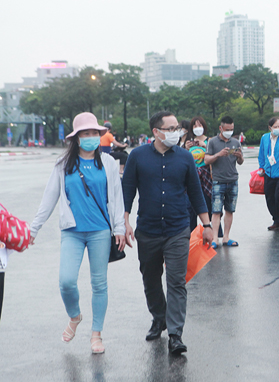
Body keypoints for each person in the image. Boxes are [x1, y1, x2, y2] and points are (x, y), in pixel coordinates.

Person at [30, 112, 126, 354]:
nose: (92, 137)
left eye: (95, 133)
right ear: (77, 138)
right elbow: (49, 199)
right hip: (72, 232)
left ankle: (96, 335)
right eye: (86, 133)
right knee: (66, 281)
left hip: (100, 231)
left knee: (99, 284)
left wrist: (119, 229)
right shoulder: (64, 165)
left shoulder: (109, 163)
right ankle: (75, 316)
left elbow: (116, 197)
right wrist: (33, 229)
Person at [122, 111, 213, 355]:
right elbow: (127, 190)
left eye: (177, 128)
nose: (177, 132)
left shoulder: (184, 158)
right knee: (150, 278)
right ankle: (158, 317)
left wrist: (207, 226)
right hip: (148, 229)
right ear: (156, 131)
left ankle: (175, 334)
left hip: (177, 228)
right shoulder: (138, 156)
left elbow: (196, 193)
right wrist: (125, 221)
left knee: (176, 281)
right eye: (170, 128)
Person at [205, 116, 243, 247]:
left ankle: (226, 237)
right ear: (221, 128)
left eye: (232, 129)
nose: (229, 131)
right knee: (216, 211)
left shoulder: (236, 142)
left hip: (233, 180)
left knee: (230, 210)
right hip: (218, 181)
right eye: (227, 129)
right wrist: (218, 154)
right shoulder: (213, 142)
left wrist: (240, 157)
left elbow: (240, 162)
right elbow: (206, 160)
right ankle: (215, 238)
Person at [183, 116, 222, 238]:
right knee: (190, 206)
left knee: (209, 204)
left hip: (207, 175)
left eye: (199, 125)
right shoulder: (188, 141)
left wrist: (204, 146)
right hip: (193, 175)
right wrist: (185, 148)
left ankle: (215, 233)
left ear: (204, 127)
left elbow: (216, 155)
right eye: (195, 126)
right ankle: (192, 235)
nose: (197, 128)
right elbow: (182, 158)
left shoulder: (210, 141)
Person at [258, 117, 279, 231]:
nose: (277, 129)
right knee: (269, 197)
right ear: (270, 128)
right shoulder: (265, 138)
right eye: (275, 127)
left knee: (278, 196)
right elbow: (262, 153)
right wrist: (262, 167)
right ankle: (276, 219)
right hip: (268, 171)